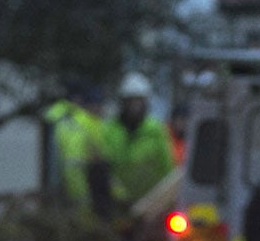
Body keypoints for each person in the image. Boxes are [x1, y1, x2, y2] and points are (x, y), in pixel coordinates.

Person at [100, 73, 178, 217]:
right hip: (118, 205)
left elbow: (167, 167)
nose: (135, 106)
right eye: (130, 101)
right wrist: (119, 195)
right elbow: (105, 168)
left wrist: (162, 201)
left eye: (139, 101)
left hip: (153, 208)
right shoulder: (109, 130)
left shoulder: (156, 130)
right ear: (122, 102)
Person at [43, 83, 110, 222]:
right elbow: (98, 155)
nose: (100, 109)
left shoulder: (54, 116)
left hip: (57, 186)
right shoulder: (85, 121)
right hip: (77, 189)